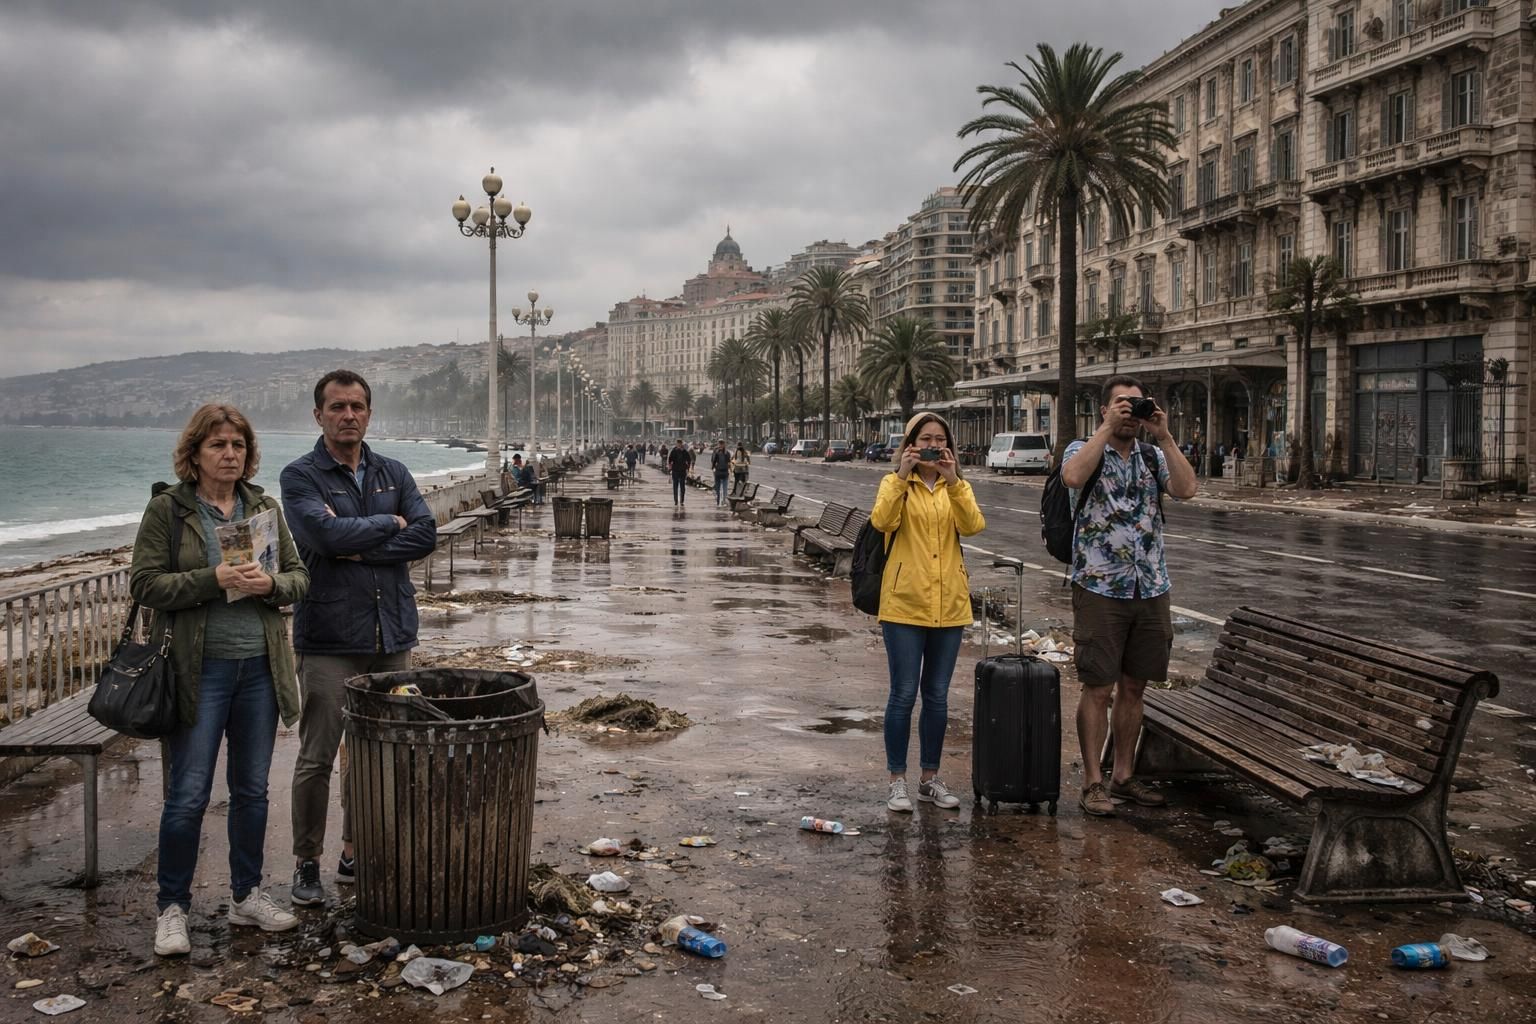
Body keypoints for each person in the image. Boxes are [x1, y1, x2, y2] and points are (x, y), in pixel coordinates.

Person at [132, 404, 310, 956]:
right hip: (196, 671)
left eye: (237, 444)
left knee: (252, 791)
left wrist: (270, 586)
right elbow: (145, 583)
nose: (229, 454)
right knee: (187, 795)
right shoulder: (169, 509)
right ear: (195, 452)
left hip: (258, 667)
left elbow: (300, 577)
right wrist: (212, 579)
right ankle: (173, 909)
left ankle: (246, 895)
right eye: (217, 445)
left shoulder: (264, 506)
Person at [281, 370, 438, 906]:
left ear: (369, 413)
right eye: (336, 407)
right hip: (327, 637)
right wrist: (387, 525)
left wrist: (359, 543)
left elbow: (425, 533)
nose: (348, 415)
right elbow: (320, 535)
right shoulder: (300, 476)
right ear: (318, 415)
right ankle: (306, 862)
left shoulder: (393, 470)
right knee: (318, 755)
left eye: (357, 407)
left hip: (392, 634)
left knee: (382, 753)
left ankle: (354, 849)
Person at [1060, 375, 1198, 818]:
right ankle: (1092, 782)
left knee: (1135, 686)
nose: (1130, 412)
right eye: (1121, 404)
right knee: (1098, 686)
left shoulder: (1154, 455)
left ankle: (1123, 774)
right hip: (1100, 584)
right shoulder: (1084, 449)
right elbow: (1072, 476)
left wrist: (1166, 436)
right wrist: (1104, 431)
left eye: (1137, 405)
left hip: (1151, 584)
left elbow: (1187, 489)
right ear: (1104, 409)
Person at [870, 412, 985, 814]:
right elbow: (882, 520)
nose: (932, 446)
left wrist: (954, 482)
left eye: (939, 440)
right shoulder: (895, 483)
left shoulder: (956, 487)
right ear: (910, 445)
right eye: (924, 440)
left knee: (936, 696)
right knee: (903, 694)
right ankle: (896, 781)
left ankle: (929, 779)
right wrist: (902, 476)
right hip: (904, 605)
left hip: (949, 606)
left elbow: (973, 526)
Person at [668, 439, 692, 506]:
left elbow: (689, 460)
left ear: (681, 444)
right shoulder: (674, 451)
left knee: (682, 486)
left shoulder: (685, 452)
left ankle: (681, 500)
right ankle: (675, 500)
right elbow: (670, 460)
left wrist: (687, 468)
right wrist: (670, 468)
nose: (679, 445)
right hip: (675, 470)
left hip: (682, 471)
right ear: (676, 444)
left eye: (680, 444)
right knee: (675, 486)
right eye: (678, 444)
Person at [709, 439, 732, 507]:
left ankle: (720, 501)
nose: (720, 445)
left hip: (719, 472)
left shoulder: (717, 452)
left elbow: (713, 462)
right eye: (720, 444)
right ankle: (722, 501)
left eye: (721, 444)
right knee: (723, 488)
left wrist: (713, 468)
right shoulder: (726, 453)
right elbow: (728, 462)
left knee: (719, 488)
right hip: (723, 472)